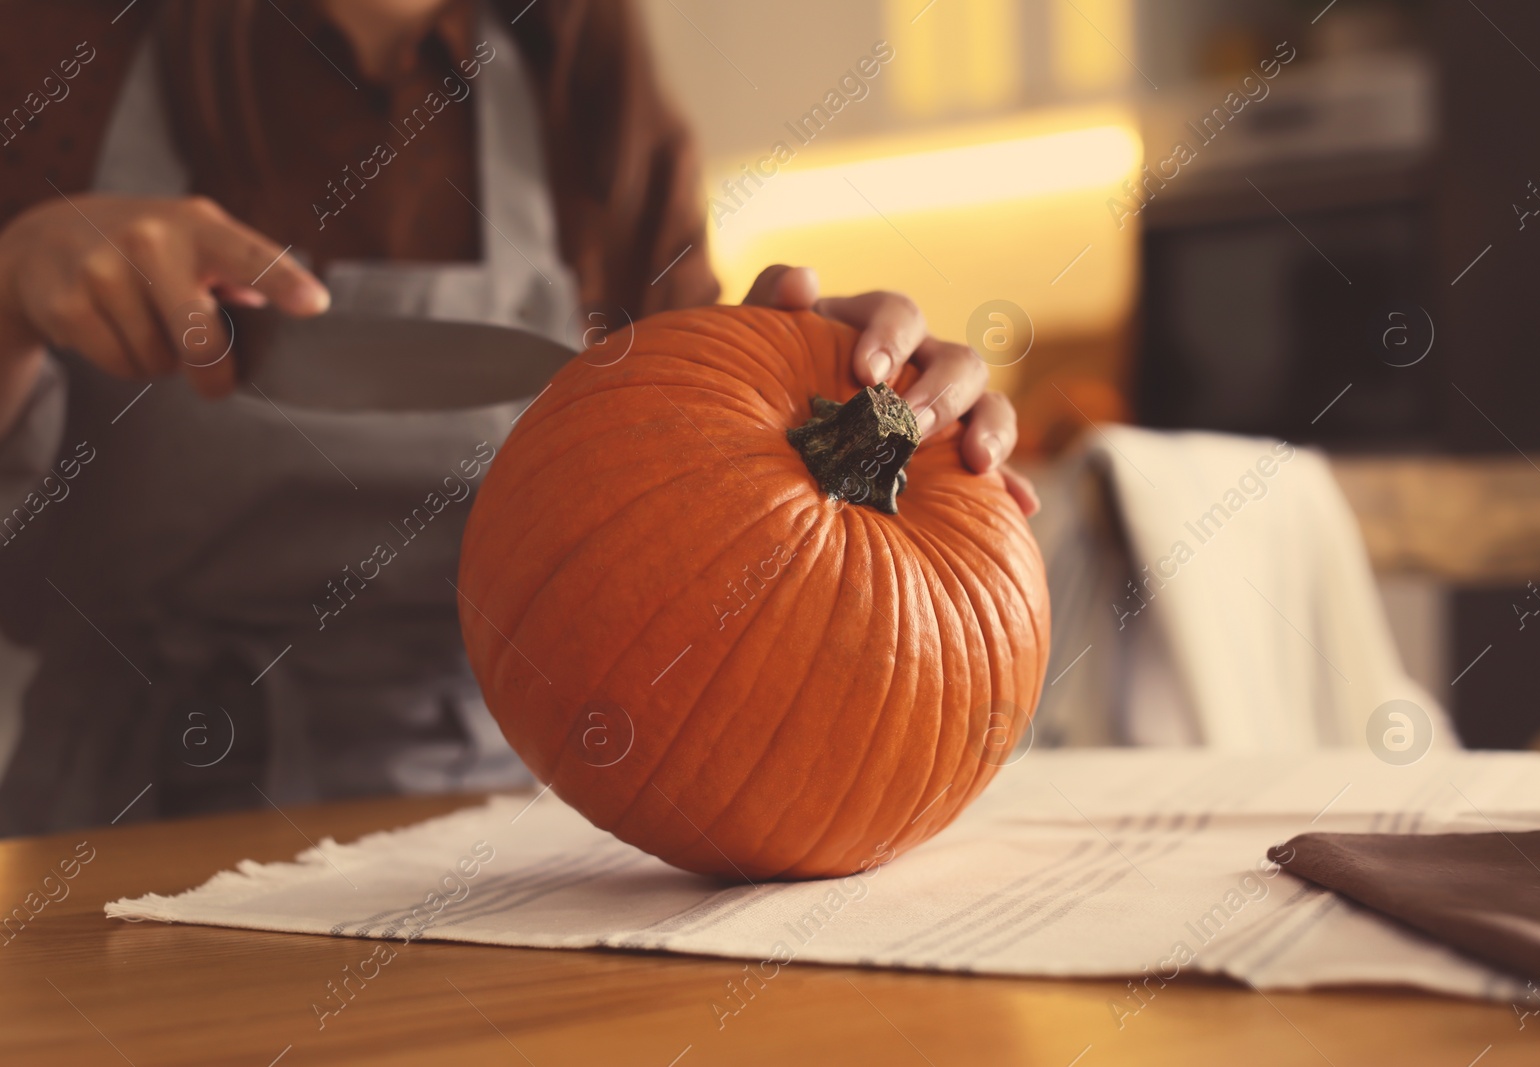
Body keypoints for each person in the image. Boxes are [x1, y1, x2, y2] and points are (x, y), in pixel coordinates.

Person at [0, 0, 1036, 835]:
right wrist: (10, 294)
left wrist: (849, 413)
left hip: (501, 842)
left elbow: (712, 579)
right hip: (114, 833)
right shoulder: (52, 49)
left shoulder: (596, 96)